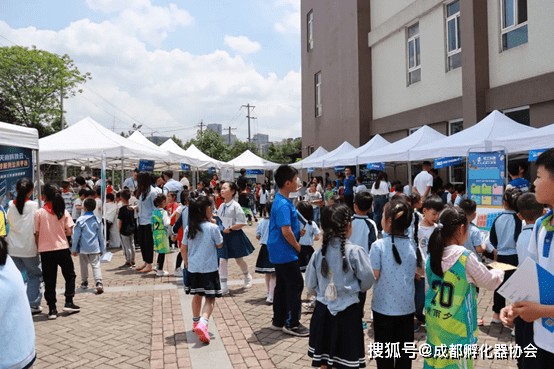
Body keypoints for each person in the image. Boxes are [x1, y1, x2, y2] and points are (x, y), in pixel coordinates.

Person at [424, 206, 504, 369]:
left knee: (435, 362)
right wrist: (499, 271)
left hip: (435, 322)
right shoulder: (464, 257)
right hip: (457, 328)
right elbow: (488, 281)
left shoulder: (432, 253)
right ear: (461, 229)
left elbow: (428, 286)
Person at [501, 149, 554, 367]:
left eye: (539, 176)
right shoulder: (542, 225)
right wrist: (513, 305)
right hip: (540, 339)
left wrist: (542, 311)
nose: (533, 183)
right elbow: (530, 271)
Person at [305, 204, 375, 369]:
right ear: (348, 226)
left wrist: (322, 294)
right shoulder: (356, 252)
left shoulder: (318, 253)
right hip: (348, 313)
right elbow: (367, 280)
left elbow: (310, 285)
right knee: (345, 362)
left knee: (323, 360)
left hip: (323, 312)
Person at [369, 198, 417, 369]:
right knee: (405, 355)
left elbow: (374, 275)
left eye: (383, 215)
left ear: (388, 221)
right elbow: (419, 271)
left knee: (384, 356)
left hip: (383, 309)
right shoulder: (412, 244)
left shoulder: (378, 246)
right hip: (406, 308)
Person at [267, 164, 309, 337]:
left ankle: (279, 320)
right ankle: (292, 323)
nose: (296, 181)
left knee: (282, 285)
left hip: (278, 250)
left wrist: (298, 232)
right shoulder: (284, 204)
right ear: (287, 183)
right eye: (294, 179)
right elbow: (286, 231)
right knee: (295, 284)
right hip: (285, 251)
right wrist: (298, 246)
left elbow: (287, 228)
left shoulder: (280, 200)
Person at [182, 195, 224, 343]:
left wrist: (187, 264)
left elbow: (183, 249)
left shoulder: (189, 228)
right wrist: (215, 224)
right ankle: (203, 322)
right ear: (208, 210)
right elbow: (220, 244)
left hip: (194, 268)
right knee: (210, 299)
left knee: (197, 295)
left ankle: (195, 323)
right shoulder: (213, 228)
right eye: (212, 209)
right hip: (209, 269)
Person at [35, 183, 79, 319]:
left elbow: (36, 233)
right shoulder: (63, 212)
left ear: (44, 196)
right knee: (69, 275)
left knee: (49, 280)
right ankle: (69, 301)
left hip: (46, 251)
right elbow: (69, 231)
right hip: (62, 248)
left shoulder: (39, 213)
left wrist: (39, 247)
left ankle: (52, 309)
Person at [0, 237, 37, 369]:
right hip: (22, 353)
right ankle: (35, 302)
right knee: (35, 277)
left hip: (9, 360)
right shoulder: (7, 263)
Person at [7, 177, 42, 313]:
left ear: (16, 190)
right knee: (34, 275)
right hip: (29, 248)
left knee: (15, 276)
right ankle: (32, 304)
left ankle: (15, 304)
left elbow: (9, 221)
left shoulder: (10, 205)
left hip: (13, 247)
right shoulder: (34, 205)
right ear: (31, 191)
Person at [489, 187, 523, 324]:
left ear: (504, 202)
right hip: (515, 257)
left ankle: (496, 315)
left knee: (499, 286)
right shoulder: (520, 220)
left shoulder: (498, 219)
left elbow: (492, 240)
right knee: (516, 288)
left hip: (501, 256)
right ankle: (513, 317)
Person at [217, 182, 254, 294]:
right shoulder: (221, 206)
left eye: (224, 188)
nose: (222, 190)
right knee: (222, 260)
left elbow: (243, 222)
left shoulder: (236, 206)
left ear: (232, 191)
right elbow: (219, 219)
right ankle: (223, 285)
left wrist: (231, 228)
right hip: (223, 235)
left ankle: (247, 276)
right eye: (221, 188)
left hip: (235, 235)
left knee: (239, 260)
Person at [415, 195, 444, 330]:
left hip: (435, 268)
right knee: (420, 296)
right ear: (424, 211)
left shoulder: (438, 228)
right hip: (420, 270)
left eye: (438, 214)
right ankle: (417, 316)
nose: (436, 217)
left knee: (433, 295)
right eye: (433, 213)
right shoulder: (417, 229)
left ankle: (431, 319)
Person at [72, 198, 105, 294]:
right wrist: (102, 248)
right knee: (96, 265)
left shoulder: (80, 220)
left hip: (83, 248)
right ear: (94, 208)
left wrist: (74, 249)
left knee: (83, 265)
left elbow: (76, 236)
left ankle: (84, 282)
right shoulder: (97, 220)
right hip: (94, 247)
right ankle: (98, 282)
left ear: (84, 208)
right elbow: (101, 237)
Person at [136, 172, 158, 274]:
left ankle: (149, 263)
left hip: (149, 221)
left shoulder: (152, 192)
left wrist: (154, 223)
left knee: (148, 243)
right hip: (141, 221)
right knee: (142, 243)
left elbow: (155, 209)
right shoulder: (142, 192)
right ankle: (146, 262)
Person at [255, 201, 276, 304]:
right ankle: (271, 295)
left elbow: (257, 236)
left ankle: (268, 292)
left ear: (265, 210)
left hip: (264, 248)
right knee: (274, 274)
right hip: (274, 248)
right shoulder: (276, 222)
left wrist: (263, 238)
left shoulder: (261, 222)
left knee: (267, 273)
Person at [297, 201, 321, 273]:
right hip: (308, 249)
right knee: (310, 269)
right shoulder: (312, 223)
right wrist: (312, 239)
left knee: (298, 268)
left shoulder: (297, 222)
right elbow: (317, 236)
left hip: (298, 248)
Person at [152, 193, 171, 277]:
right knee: (162, 252)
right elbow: (166, 223)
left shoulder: (154, 212)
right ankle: (160, 270)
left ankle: (157, 265)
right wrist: (169, 218)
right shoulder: (164, 212)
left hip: (155, 233)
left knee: (159, 251)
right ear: (163, 202)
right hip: (162, 233)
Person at [118, 189, 136, 268]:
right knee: (132, 245)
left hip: (124, 229)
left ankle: (128, 261)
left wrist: (119, 229)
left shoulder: (122, 209)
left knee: (126, 246)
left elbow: (120, 221)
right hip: (132, 228)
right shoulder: (132, 207)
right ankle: (133, 260)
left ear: (121, 198)